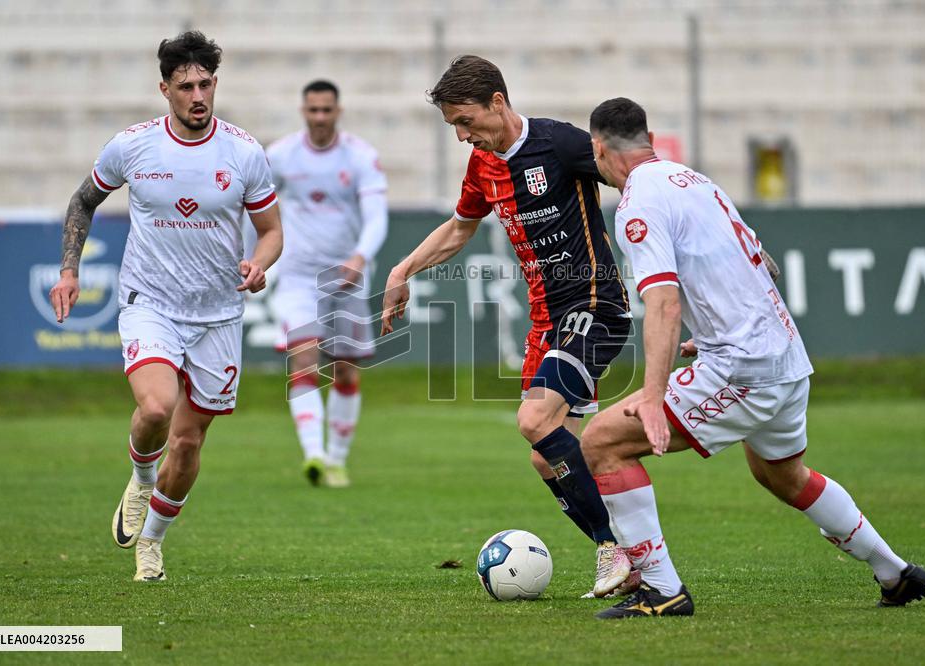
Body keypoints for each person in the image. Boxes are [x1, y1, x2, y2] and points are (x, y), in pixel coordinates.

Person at [581, 97, 925, 618]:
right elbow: (760, 260)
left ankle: (662, 590)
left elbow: (663, 301)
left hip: (743, 367)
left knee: (601, 442)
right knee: (782, 474)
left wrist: (654, 397)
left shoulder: (637, 202)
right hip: (786, 355)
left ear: (598, 148)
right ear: (647, 137)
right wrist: (718, 326)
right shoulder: (695, 181)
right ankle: (894, 572)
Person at [381, 55, 637, 598]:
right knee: (548, 454)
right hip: (548, 322)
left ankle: (612, 549)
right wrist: (404, 269)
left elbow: (635, 175)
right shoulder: (483, 166)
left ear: (497, 103)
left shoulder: (560, 144)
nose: (461, 135)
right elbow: (459, 229)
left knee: (534, 417)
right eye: (453, 125)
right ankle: (636, 553)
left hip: (595, 305)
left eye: (465, 121)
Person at [48, 31, 283, 582]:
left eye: (205, 84)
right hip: (149, 302)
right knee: (156, 410)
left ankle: (151, 542)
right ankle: (140, 475)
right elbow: (84, 199)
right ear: (165, 90)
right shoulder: (132, 146)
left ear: (215, 84)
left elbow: (271, 231)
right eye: (185, 86)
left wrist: (259, 263)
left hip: (218, 315)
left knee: (189, 438)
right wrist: (68, 270)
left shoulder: (245, 152)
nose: (198, 95)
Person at [266, 79, 388, 489]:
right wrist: (256, 259)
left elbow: (376, 216)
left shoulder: (359, 156)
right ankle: (314, 454)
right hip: (298, 276)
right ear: (304, 111)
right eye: (313, 110)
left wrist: (359, 256)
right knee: (304, 358)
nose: (319, 117)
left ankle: (336, 458)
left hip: (346, 278)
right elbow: (257, 210)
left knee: (346, 373)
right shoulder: (280, 155)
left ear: (338, 111)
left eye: (326, 110)